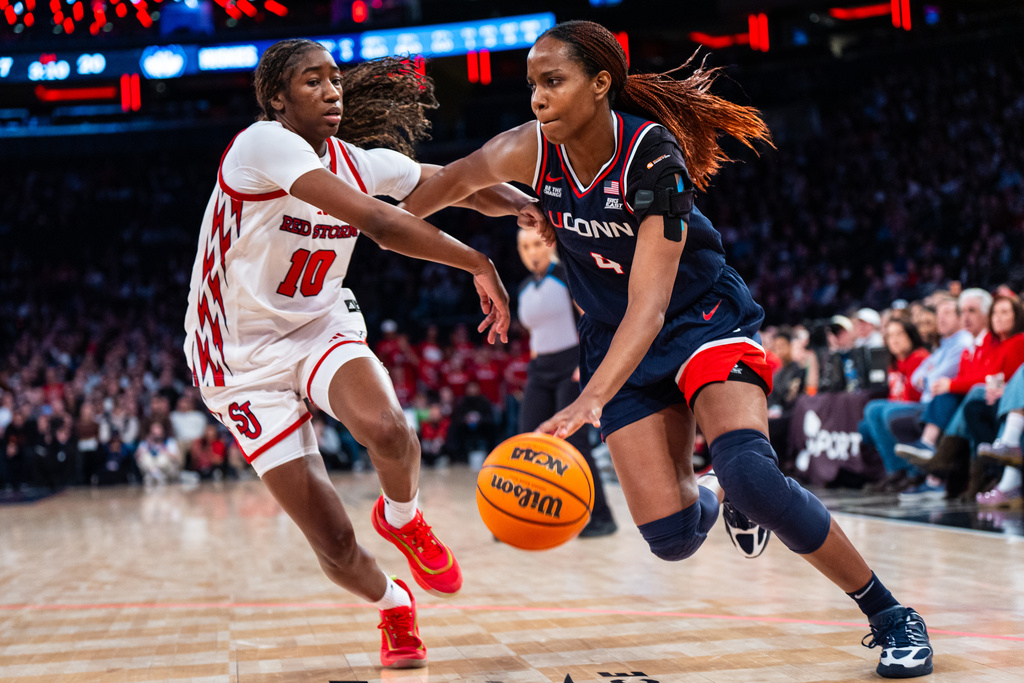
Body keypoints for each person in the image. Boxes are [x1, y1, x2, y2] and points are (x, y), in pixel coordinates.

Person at [400, 20, 932, 678]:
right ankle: (715, 489)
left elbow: (650, 308)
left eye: (554, 82)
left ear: (600, 85)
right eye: (532, 84)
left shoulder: (653, 158)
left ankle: (890, 613)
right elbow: (442, 184)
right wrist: (360, 213)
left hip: (698, 317)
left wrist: (590, 398)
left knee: (755, 474)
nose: (537, 98)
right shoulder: (526, 150)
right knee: (673, 538)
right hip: (611, 333)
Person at [182, 39, 538, 669]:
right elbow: (379, 224)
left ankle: (402, 516)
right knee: (335, 543)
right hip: (240, 360)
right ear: (276, 101)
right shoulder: (259, 145)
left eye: (335, 80)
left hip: (319, 326)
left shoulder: (364, 162)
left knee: (388, 429)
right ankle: (393, 602)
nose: (330, 92)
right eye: (312, 82)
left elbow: (458, 184)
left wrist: (528, 206)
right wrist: (477, 261)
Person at [515, 226, 617, 536]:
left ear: (547, 245)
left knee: (574, 444)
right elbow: (536, 333)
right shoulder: (522, 288)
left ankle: (601, 517)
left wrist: (585, 365)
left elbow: (592, 319)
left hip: (571, 365)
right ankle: (521, 516)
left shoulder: (566, 276)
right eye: (525, 247)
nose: (532, 252)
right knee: (526, 442)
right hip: (540, 368)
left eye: (536, 244)